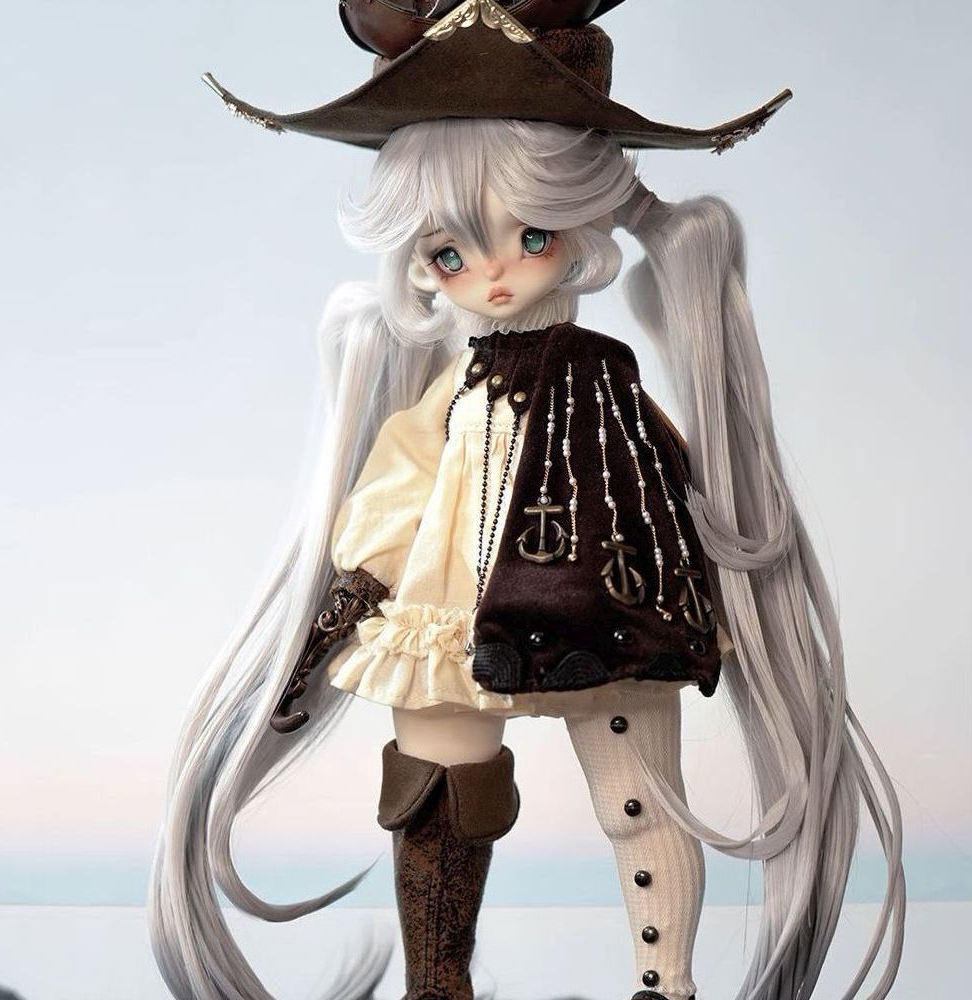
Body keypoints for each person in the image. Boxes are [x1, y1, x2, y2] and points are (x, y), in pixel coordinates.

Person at [148, 4, 905, 999]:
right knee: (435, 785)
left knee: (638, 801)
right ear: (419, 264)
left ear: (579, 226)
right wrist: (349, 596)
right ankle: (437, 984)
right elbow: (397, 489)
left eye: (531, 234)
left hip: (604, 598)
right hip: (451, 601)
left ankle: (664, 983)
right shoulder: (450, 397)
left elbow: (671, 473)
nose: (494, 275)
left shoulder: (606, 381)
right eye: (450, 255)